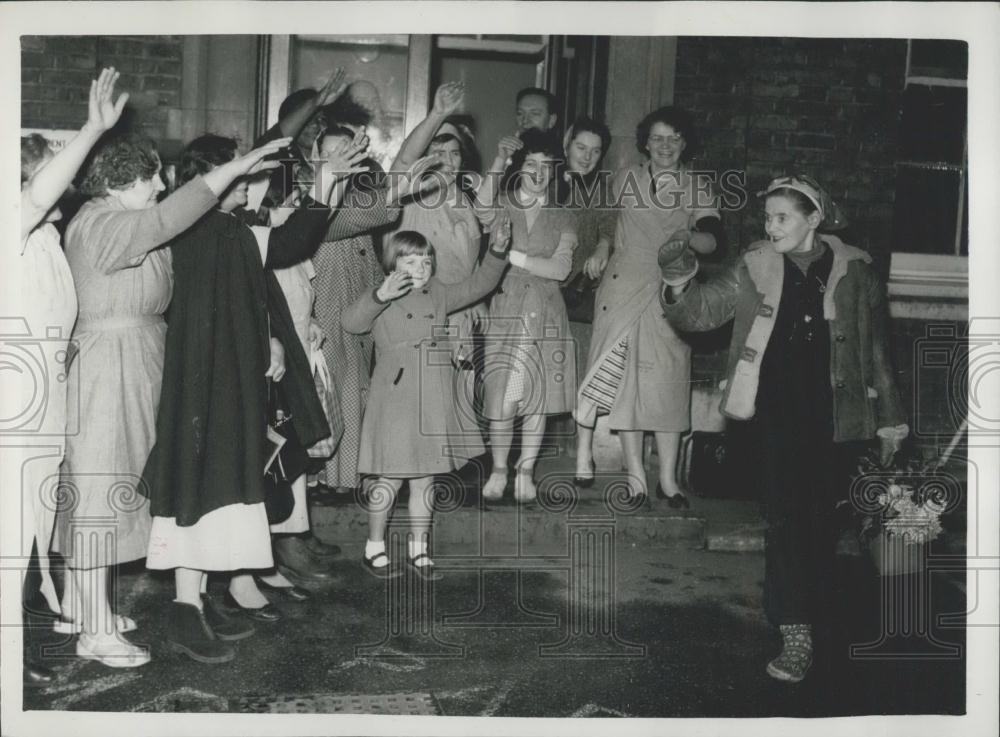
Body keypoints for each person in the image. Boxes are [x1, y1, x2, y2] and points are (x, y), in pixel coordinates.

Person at [51, 119, 291, 668]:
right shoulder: (104, 224)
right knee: (97, 495)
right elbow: (171, 214)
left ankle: (82, 605)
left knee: (113, 490)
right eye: (152, 176)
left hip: (133, 361)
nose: (159, 186)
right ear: (118, 180)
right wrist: (233, 168)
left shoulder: (118, 219)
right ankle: (94, 630)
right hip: (108, 369)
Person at [659, 173, 908, 683]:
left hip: (838, 416)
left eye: (782, 217)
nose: (770, 226)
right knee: (788, 521)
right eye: (767, 217)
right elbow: (701, 312)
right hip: (775, 414)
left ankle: (815, 617)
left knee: (821, 523)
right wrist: (678, 273)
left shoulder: (857, 270)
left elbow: (878, 351)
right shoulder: (755, 264)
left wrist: (891, 421)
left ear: (813, 218)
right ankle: (795, 630)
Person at [140, 133, 364, 663]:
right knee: (200, 483)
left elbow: (279, 252)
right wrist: (326, 180)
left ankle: (194, 597)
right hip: (205, 377)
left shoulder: (218, 228)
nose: (250, 184)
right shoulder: (208, 229)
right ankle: (183, 606)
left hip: (219, 373)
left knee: (215, 482)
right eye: (240, 175)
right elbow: (290, 244)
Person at [9, 68, 126, 684]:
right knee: (14, 529)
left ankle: (29, 626)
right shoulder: (13, 228)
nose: (63, 171)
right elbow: (31, 197)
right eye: (48, 163)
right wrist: (91, 129)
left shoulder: (48, 238)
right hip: (14, 407)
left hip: (44, 403)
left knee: (37, 525)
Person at [343, 223, 512, 579]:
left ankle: (419, 552)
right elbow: (352, 323)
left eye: (426, 262)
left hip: (434, 395)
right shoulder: (381, 292)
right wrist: (379, 296)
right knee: (389, 479)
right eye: (411, 262)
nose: (420, 269)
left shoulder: (438, 293)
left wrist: (497, 251)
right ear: (392, 263)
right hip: (396, 398)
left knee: (426, 480)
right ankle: (373, 549)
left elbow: (479, 284)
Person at [574, 106, 724, 504]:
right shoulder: (624, 179)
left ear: (684, 143)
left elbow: (714, 241)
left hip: (671, 288)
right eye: (657, 138)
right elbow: (600, 223)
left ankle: (669, 480)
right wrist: (604, 244)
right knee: (625, 383)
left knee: (668, 383)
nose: (665, 146)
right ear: (644, 143)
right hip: (623, 286)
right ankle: (636, 475)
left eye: (674, 138)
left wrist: (688, 235)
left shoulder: (696, 186)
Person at [477, 129, 579, 502]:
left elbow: (560, 269)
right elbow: (480, 205)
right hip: (507, 311)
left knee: (537, 399)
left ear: (554, 173)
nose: (538, 173)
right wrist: (498, 161)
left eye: (546, 167)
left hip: (547, 314)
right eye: (531, 164)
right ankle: (500, 467)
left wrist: (510, 256)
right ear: (519, 168)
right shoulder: (502, 203)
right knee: (503, 398)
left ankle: (526, 470)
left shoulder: (564, 215)